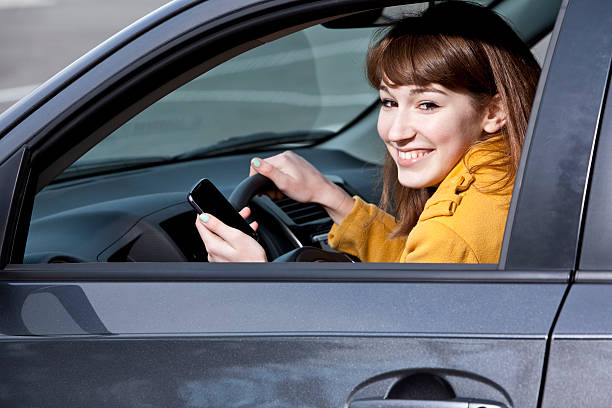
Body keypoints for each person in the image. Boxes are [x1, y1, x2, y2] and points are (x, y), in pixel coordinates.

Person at [195, 1, 541, 263]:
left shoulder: (452, 232)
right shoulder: (513, 175)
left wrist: (255, 278)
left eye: (428, 105)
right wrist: (332, 199)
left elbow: (388, 342)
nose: (396, 132)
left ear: (495, 112)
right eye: (389, 102)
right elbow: (415, 269)